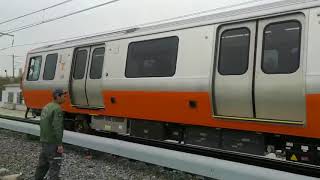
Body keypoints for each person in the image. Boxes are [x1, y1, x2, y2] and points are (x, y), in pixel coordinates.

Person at [35, 88, 67, 180]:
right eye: (63, 96)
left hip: (44, 140)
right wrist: (59, 144)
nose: (65, 98)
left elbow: (42, 124)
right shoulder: (57, 109)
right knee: (55, 165)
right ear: (57, 96)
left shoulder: (46, 107)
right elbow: (57, 128)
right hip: (53, 143)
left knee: (42, 165)